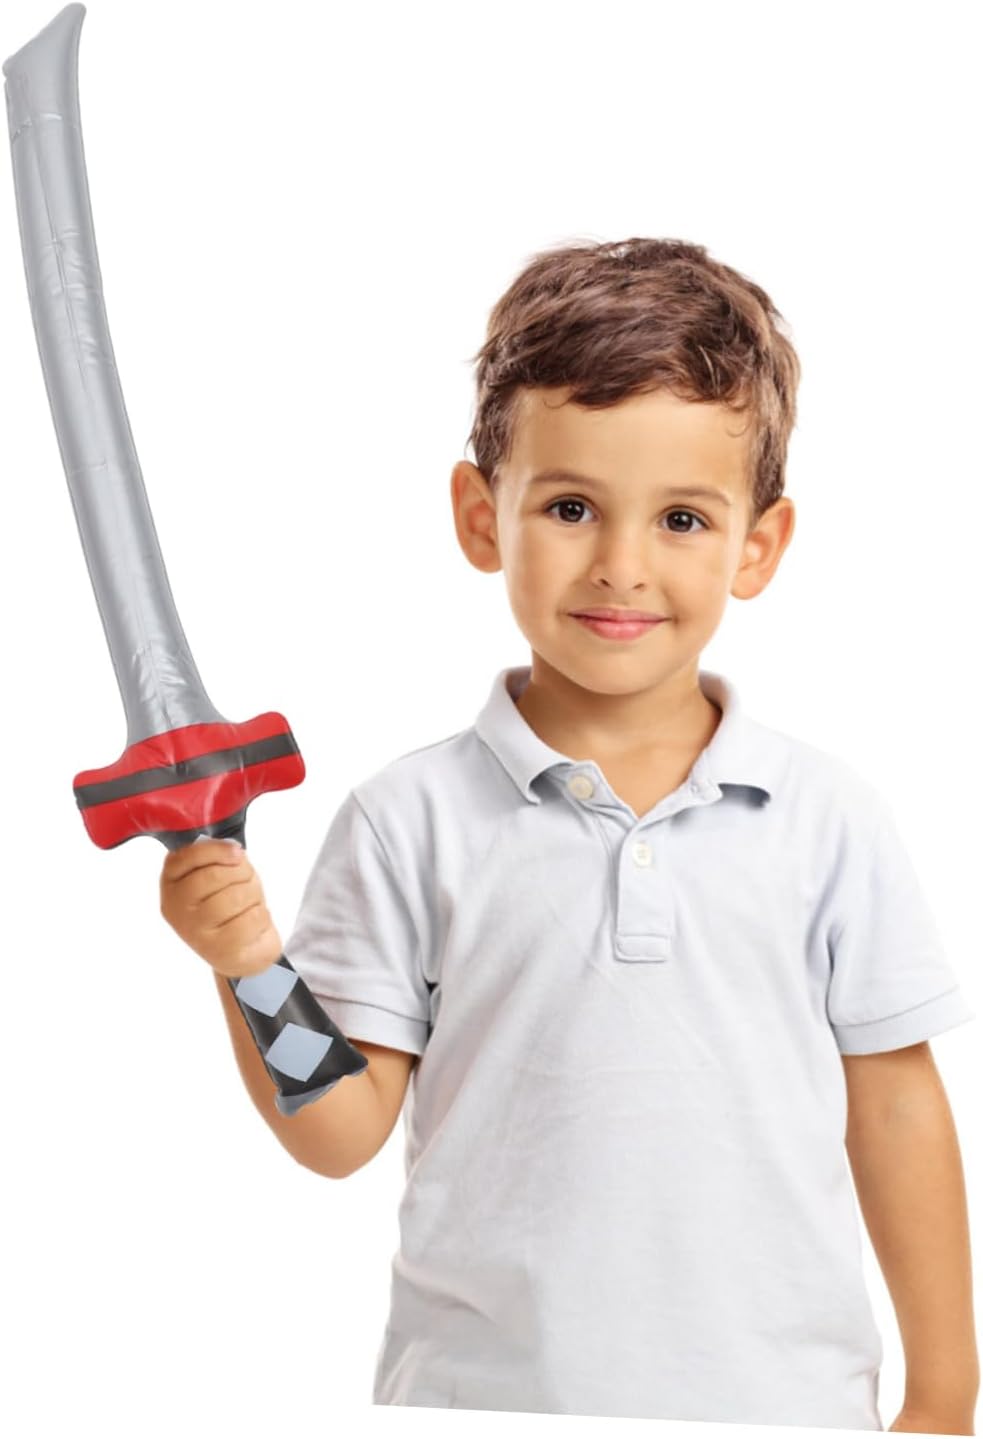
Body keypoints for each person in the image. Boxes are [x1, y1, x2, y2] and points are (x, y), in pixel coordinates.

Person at [160, 237, 978, 1430]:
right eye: (570, 506)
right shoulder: (407, 820)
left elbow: (897, 1109)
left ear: (756, 544)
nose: (619, 566)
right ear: (479, 515)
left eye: (681, 517)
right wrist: (247, 965)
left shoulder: (826, 818)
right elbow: (338, 1133)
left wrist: (944, 1396)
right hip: (483, 1405)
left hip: (785, 1409)